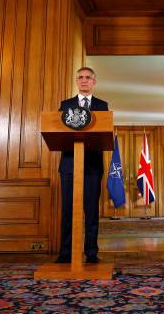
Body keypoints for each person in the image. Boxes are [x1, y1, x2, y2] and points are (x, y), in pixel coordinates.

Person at [56, 67, 108, 264]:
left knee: (91, 210)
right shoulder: (66, 104)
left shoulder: (102, 106)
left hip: (92, 165)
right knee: (68, 210)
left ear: (94, 82)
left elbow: (104, 132)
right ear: (76, 81)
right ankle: (66, 252)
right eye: (80, 78)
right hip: (69, 164)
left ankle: (92, 252)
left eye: (88, 78)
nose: (84, 81)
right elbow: (58, 132)